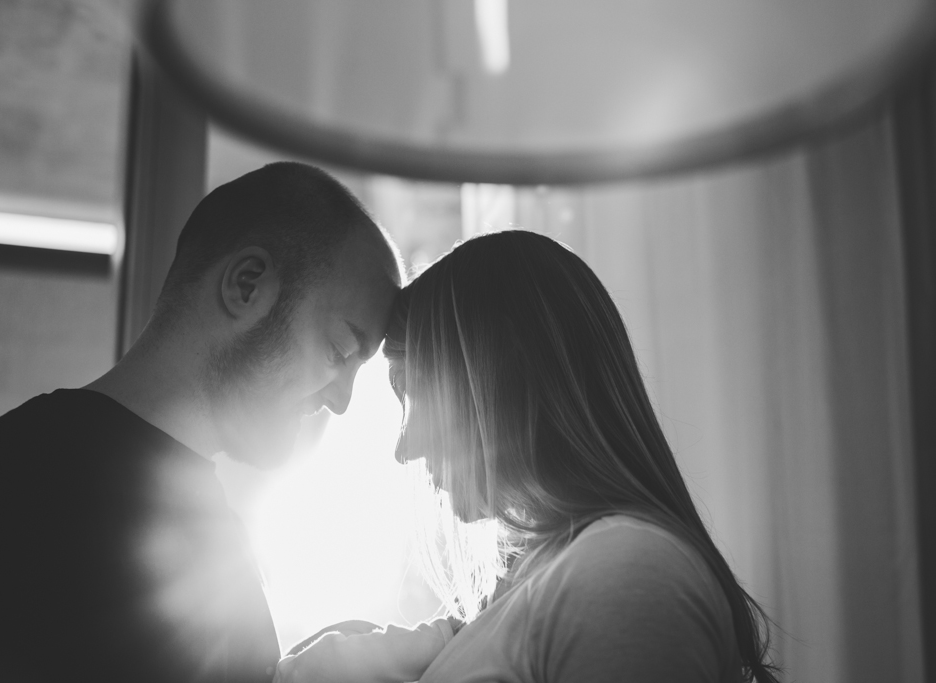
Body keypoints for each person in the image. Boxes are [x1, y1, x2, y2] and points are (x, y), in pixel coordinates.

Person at [0, 162, 404, 683]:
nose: (341, 401)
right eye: (339, 349)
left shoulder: (211, 534)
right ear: (247, 285)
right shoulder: (1, 490)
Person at [279, 230, 782, 682]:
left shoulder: (622, 573)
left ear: (499, 382)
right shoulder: (555, 578)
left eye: (415, 393)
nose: (404, 448)